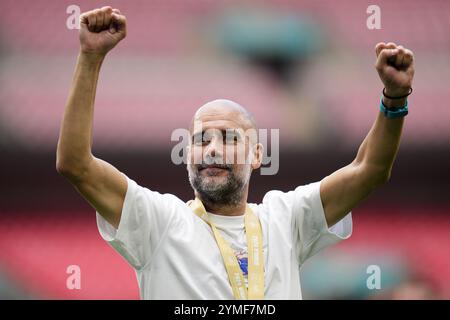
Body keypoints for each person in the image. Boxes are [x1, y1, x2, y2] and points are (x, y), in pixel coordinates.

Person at [56, 6, 415, 299]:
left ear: (257, 154)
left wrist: (394, 100)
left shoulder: (286, 219)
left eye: (228, 137)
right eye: (200, 139)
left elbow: (369, 170)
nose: (211, 148)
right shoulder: (158, 222)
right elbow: (75, 164)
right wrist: (90, 57)